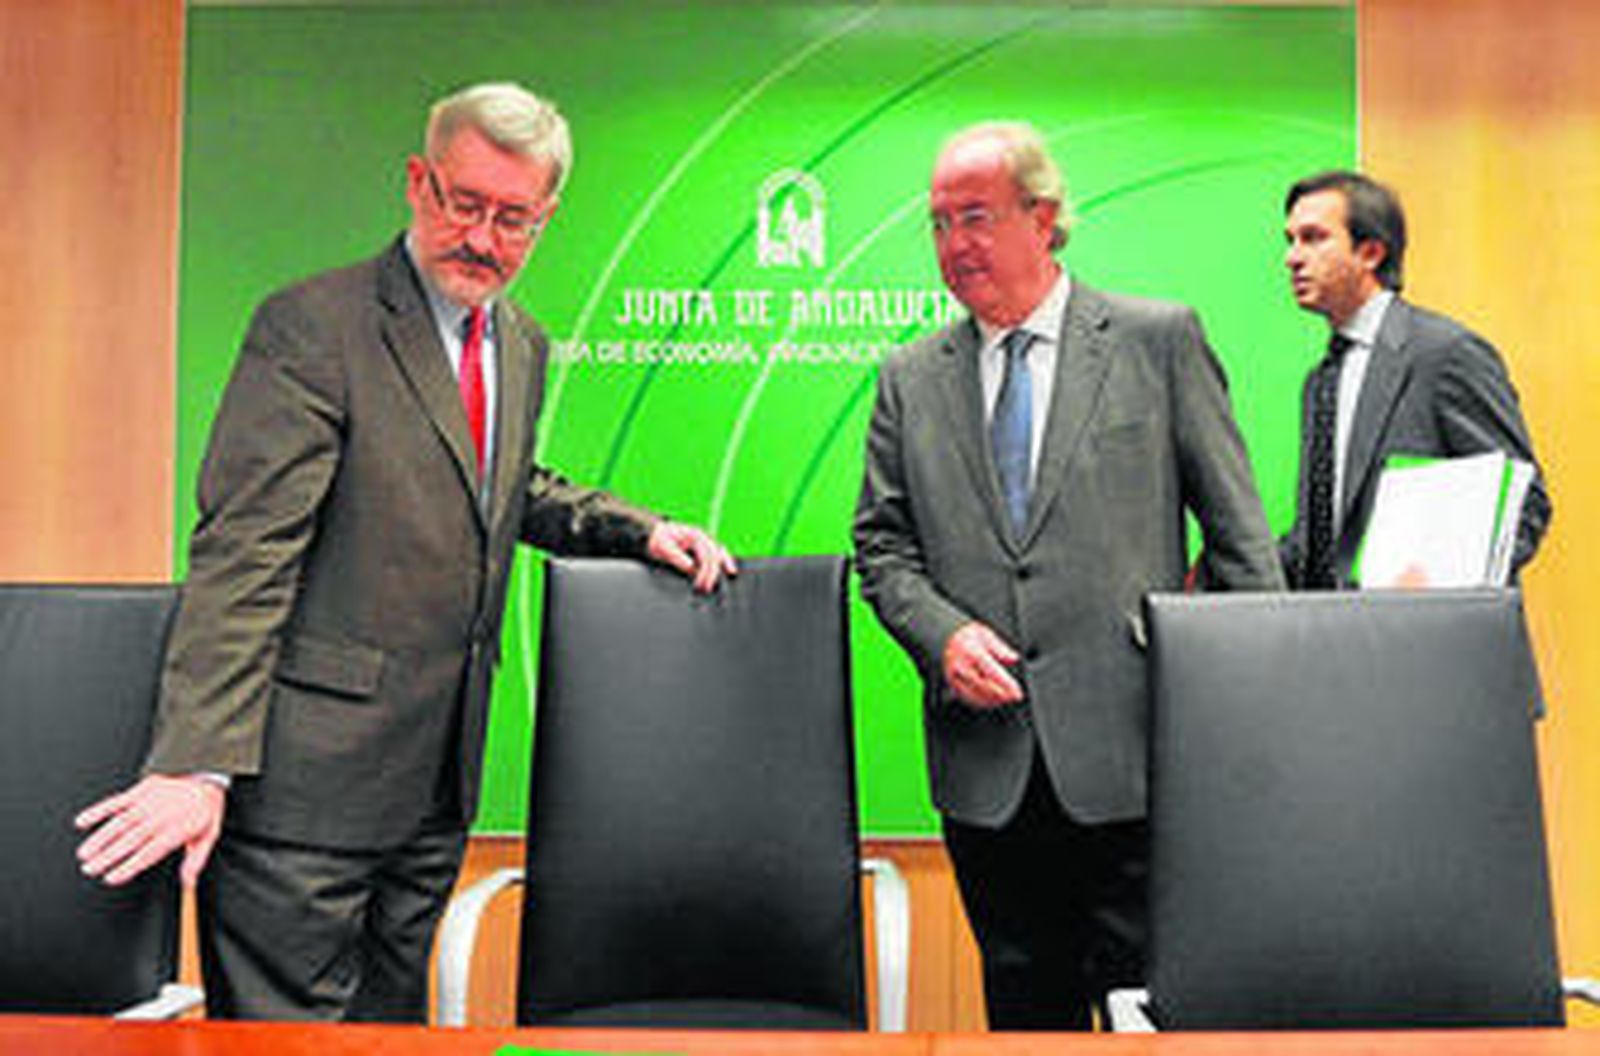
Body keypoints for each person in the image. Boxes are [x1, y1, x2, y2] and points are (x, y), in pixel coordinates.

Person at [73, 82, 735, 1022]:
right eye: (465, 205)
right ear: (419, 185)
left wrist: (637, 529)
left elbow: (496, 485)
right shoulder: (314, 327)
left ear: (544, 219)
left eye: (514, 219)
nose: (484, 238)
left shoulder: (520, 341)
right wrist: (197, 763)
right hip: (301, 800)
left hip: (433, 784)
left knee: (394, 1039)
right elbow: (244, 551)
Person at [852, 121, 1284, 1031]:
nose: (952, 245)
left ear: (1043, 218)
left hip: (1137, 757)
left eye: (973, 217)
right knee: (1024, 1014)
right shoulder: (907, 377)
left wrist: (1243, 733)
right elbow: (884, 549)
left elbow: (1242, 544)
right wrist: (943, 636)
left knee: (1150, 1014)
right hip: (986, 768)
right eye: (937, 224)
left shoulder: (1156, 341)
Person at [1279, 170, 1550, 589]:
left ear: (1370, 253)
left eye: (1313, 238)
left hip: (1424, 639)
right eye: (1290, 240)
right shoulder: (1320, 382)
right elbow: (1323, 538)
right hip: (1329, 637)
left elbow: (1522, 504)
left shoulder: (1447, 354)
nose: (1292, 258)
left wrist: (1442, 583)